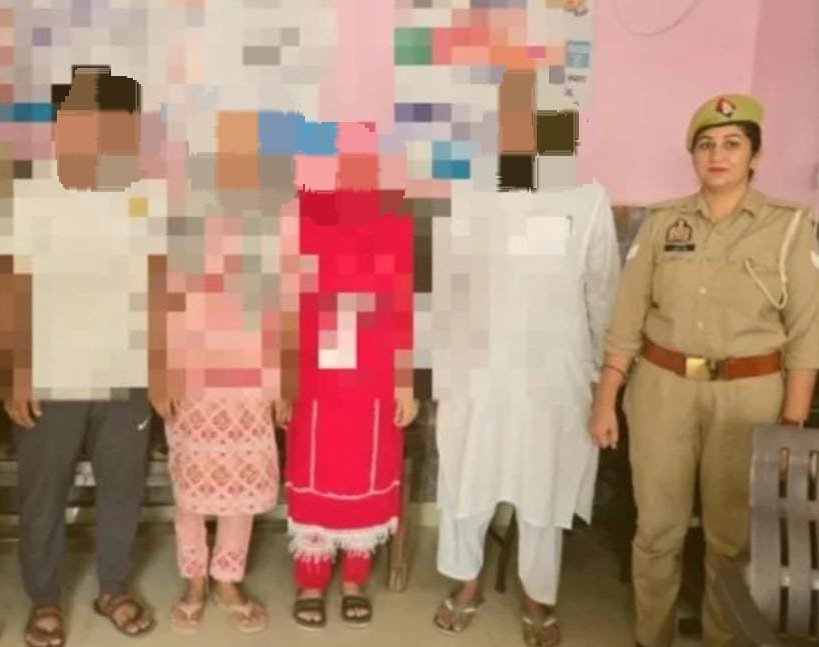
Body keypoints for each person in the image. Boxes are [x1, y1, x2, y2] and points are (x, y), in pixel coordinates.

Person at [590, 94, 819, 647]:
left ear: (755, 156)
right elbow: (627, 318)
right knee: (656, 530)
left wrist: (790, 430)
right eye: (706, 144)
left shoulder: (789, 227)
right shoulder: (662, 223)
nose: (717, 155)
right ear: (693, 155)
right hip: (662, 389)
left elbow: (807, 337)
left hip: (748, 397)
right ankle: (652, 636)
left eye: (732, 144)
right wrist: (606, 398)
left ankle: (721, 637)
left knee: (731, 538)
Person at [0, 67, 163, 647]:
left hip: (125, 373)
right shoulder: (29, 193)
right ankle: (44, 598)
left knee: (123, 488)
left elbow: (160, 287)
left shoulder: (147, 195)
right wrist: (16, 372)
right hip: (50, 373)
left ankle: (113, 587)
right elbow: (12, 287)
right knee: (43, 492)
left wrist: (160, 370)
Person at [431, 181, 620, 645]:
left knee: (544, 485)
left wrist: (605, 379)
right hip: (474, 371)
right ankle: (467, 581)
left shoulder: (586, 199)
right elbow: (443, 284)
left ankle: (538, 596)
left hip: (553, 375)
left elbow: (604, 293)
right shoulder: (462, 192)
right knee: (467, 477)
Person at [152, 189, 299, 634]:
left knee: (241, 485)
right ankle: (195, 580)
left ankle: (227, 579)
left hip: (252, 372)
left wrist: (284, 381)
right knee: (191, 487)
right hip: (192, 371)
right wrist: (160, 371)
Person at [286, 187, 419, 630]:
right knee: (315, 463)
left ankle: (355, 579)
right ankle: (311, 580)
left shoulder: (397, 212)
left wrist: (405, 381)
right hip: (313, 367)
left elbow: (404, 299)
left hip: (375, 368)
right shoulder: (300, 208)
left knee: (368, 465)